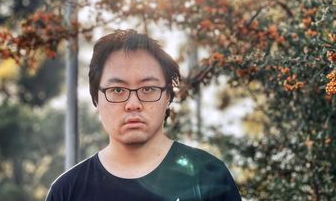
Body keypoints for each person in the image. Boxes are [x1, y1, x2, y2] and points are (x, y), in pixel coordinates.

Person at [46, 29, 242, 201]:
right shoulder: (67, 191)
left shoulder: (209, 176)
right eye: (117, 90)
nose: (133, 104)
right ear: (96, 98)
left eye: (148, 88)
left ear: (167, 96)